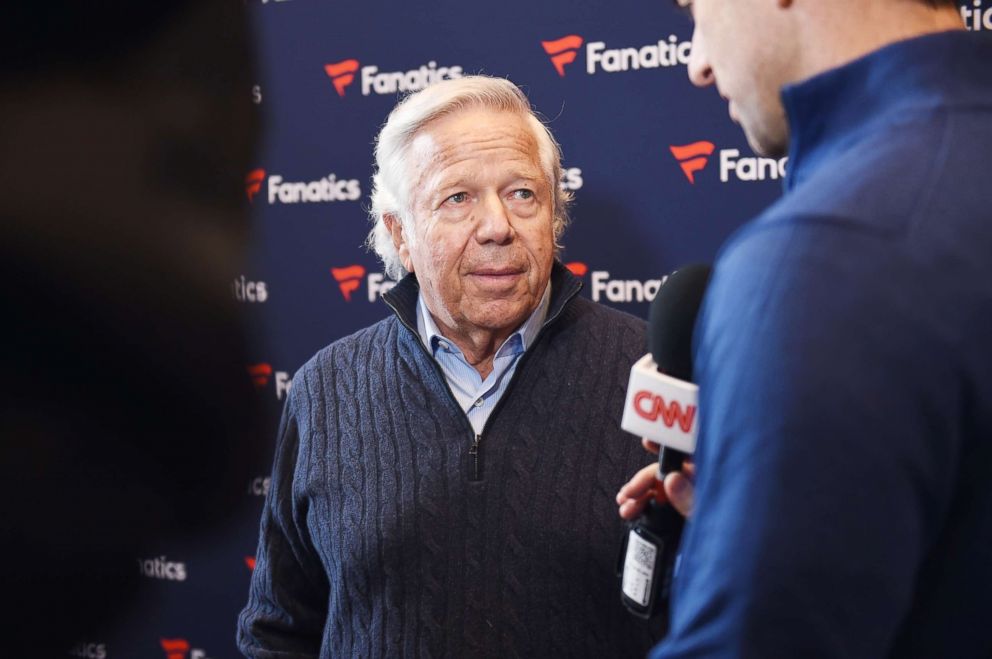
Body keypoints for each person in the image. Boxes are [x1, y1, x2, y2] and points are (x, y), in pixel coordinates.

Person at [237, 75, 663, 658]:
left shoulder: (653, 376)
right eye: (457, 198)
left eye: (521, 194)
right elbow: (279, 629)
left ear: (554, 218)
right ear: (400, 234)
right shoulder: (325, 390)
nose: (496, 227)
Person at [618, 0, 992, 656]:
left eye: (699, 9)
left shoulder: (822, 254)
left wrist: (734, 573)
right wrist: (765, 521)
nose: (699, 64)